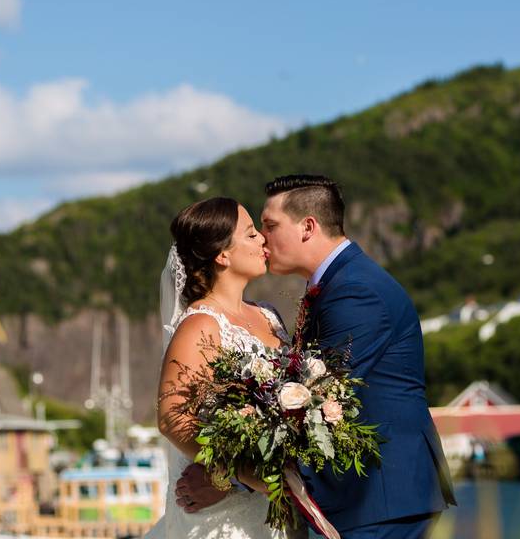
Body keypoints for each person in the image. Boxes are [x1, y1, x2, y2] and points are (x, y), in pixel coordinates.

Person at [180, 175, 456, 538]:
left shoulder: (355, 292)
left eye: (270, 225)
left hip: (381, 497)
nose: (263, 238)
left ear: (308, 227)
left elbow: (315, 401)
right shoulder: (336, 285)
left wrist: (228, 477)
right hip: (367, 499)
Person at [146, 196, 307, 539]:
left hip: (278, 506)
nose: (263, 239)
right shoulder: (201, 325)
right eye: (251, 235)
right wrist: (240, 475)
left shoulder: (269, 316)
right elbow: (172, 416)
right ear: (223, 254)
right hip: (225, 516)